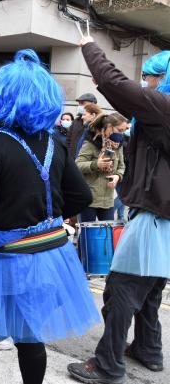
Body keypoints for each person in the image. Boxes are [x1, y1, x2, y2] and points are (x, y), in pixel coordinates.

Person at [0, 49, 99, 384]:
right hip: (50, 257)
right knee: (29, 337)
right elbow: (82, 196)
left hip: (5, 258)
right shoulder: (54, 141)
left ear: (4, 97)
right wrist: (47, 218)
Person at [67, 37, 170, 384]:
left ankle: (107, 365)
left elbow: (114, 84)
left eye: (152, 77)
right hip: (164, 219)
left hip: (154, 217)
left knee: (120, 291)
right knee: (151, 290)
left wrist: (89, 45)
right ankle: (149, 350)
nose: (147, 83)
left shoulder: (165, 109)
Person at [75, 113, 127, 222]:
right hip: (90, 199)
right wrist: (96, 165)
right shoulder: (91, 141)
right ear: (109, 126)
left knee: (107, 236)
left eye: (124, 130)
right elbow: (77, 164)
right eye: (119, 130)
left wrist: (118, 176)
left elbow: (122, 166)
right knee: (87, 236)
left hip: (108, 200)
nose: (122, 134)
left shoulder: (118, 145)